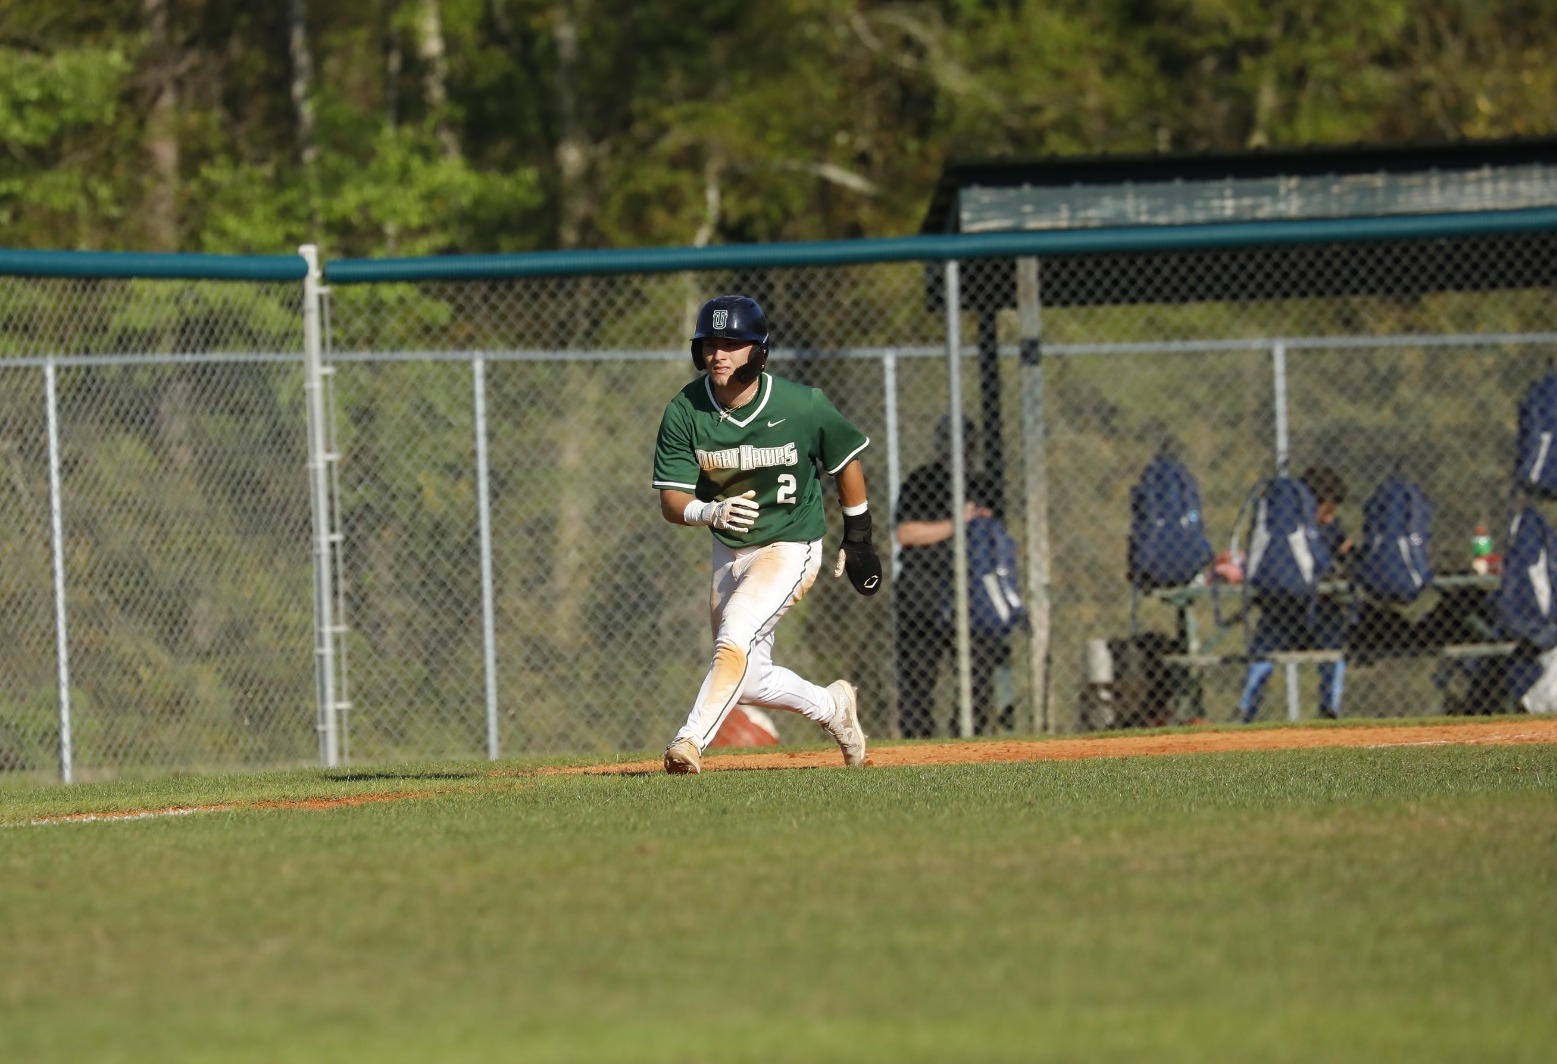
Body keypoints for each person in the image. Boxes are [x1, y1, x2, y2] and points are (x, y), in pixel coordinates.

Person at [651, 294, 882, 774]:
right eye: (711, 343)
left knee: (734, 634)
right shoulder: (686, 412)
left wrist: (858, 536)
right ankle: (832, 708)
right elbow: (672, 500)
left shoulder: (801, 405)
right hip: (729, 546)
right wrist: (708, 514)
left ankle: (689, 742)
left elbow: (845, 460)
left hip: (791, 543)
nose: (719, 353)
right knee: (748, 677)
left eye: (733, 343)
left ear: (758, 351)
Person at [893, 414, 1015, 738]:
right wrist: (957, 523)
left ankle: (967, 740)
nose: (958, 450)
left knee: (977, 672)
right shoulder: (922, 482)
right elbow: (906, 534)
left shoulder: (983, 485)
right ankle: (919, 746)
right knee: (917, 675)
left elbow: (995, 533)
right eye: (951, 443)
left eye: (965, 443)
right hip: (924, 586)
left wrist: (980, 522)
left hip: (972, 588)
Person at [1236, 465, 1354, 722]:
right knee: (1331, 641)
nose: (1331, 518)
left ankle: (1246, 708)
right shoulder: (1297, 520)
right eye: (1328, 510)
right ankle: (1328, 706)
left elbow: (1346, 549)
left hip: (1286, 611)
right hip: (1307, 613)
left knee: (1265, 647)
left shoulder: (1275, 518)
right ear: (1314, 503)